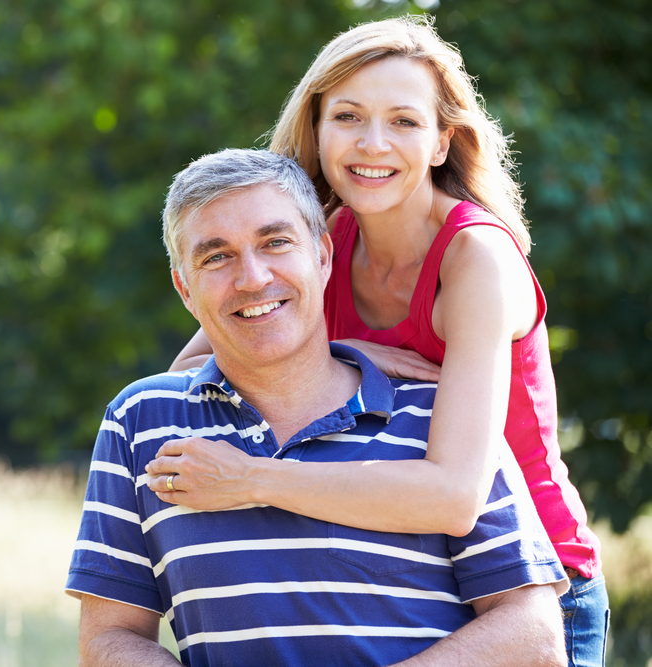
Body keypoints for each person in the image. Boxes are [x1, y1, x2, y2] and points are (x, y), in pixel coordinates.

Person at [161, 17, 607, 666]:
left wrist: (254, 479)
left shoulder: (475, 258)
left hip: (528, 587)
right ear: (316, 129)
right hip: (403, 565)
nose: (373, 144)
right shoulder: (321, 241)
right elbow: (192, 373)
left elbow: (456, 495)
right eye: (348, 116)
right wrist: (357, 354)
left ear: (439, 142)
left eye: (403, 121)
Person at [67, 148, 568, 667]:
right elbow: (109, 639)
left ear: (323, 257)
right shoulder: (141, 420)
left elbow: (534, 634)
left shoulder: (441, 421)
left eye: (276, 242)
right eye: (216, 257)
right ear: (184, 289)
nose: (253, 278)